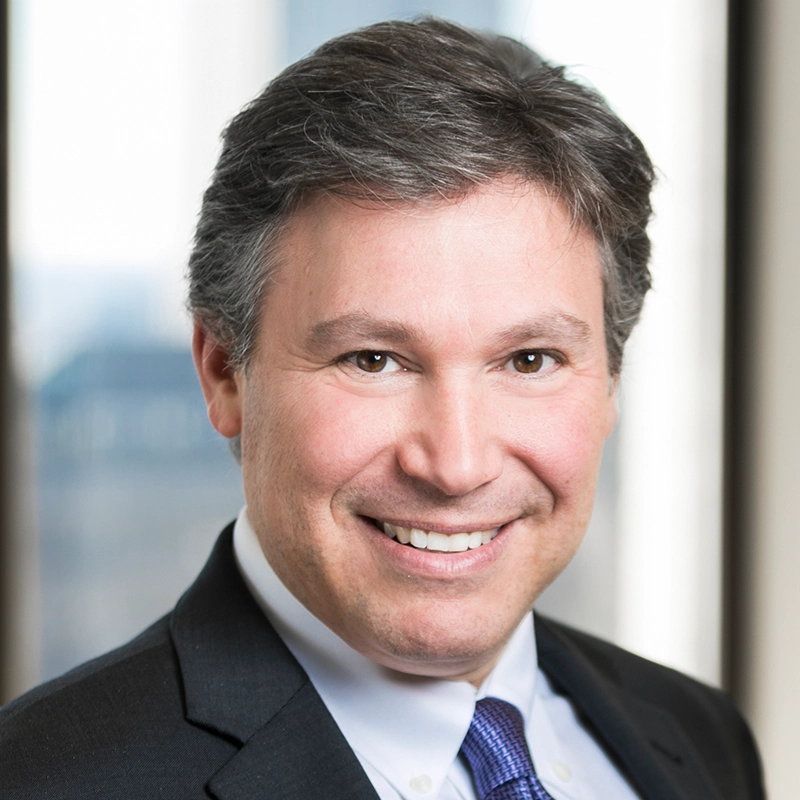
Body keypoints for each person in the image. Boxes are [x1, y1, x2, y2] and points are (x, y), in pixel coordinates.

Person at [0, 17, 763, 800]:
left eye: (530, 360)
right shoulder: (45, 779)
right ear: (225, 371)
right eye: (374, 360)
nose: (457, 464)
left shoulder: (699, 739)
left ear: (610, 381)